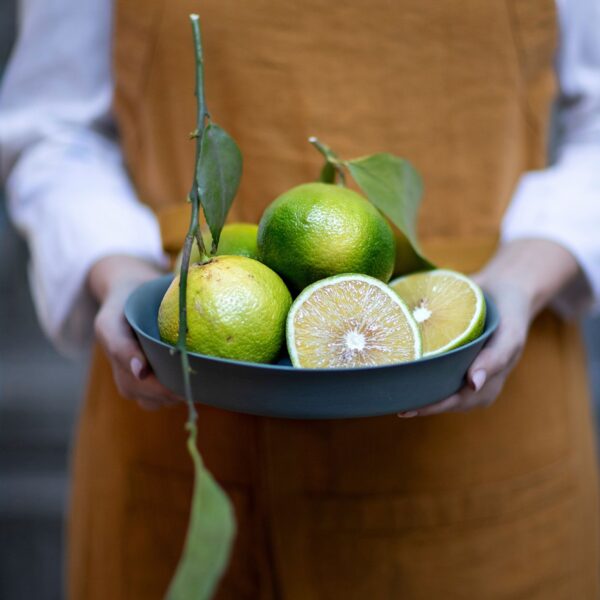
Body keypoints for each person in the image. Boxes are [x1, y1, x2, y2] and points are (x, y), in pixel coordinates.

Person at [1, 0, 600, 597]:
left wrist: (521, 278)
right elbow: (51, 129)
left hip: (471, 384)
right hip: (182, 379)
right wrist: (120, 271)